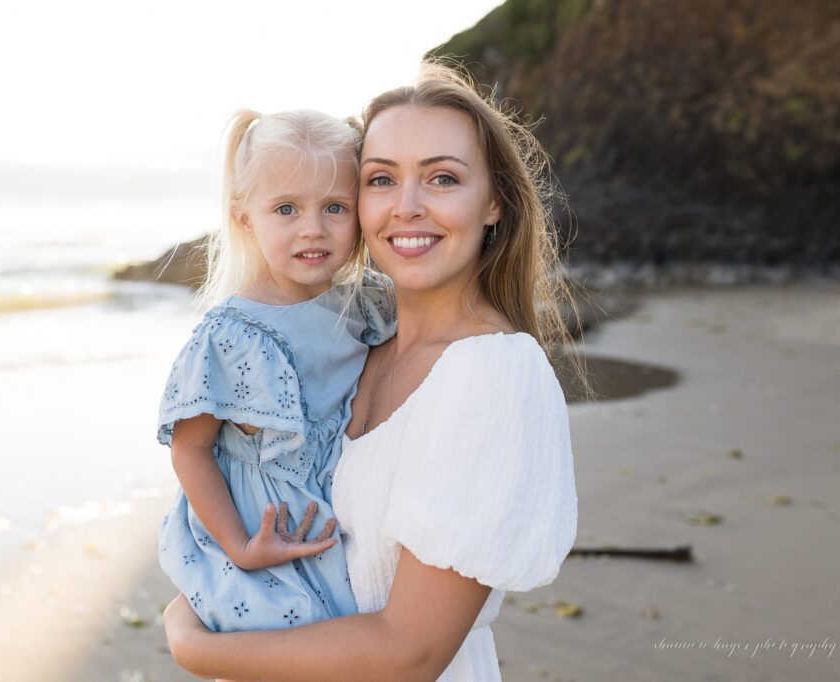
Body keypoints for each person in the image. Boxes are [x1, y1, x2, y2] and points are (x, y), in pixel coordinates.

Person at [163, 62, 578, 681]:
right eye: (382, 179)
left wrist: (195, 646)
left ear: (493, 203)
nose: (406, 208)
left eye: (442, 178)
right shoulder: (362, 340)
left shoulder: (494, 373)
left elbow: (409, 654)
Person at [157, 108, 396, 635]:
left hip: (340, 521)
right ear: (246, 219)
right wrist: (240, 546)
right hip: (261, 533)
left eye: (335, 207)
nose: (313, 229)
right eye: (286, 208)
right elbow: (189, 448)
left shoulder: (367, 302)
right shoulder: (232, 333)